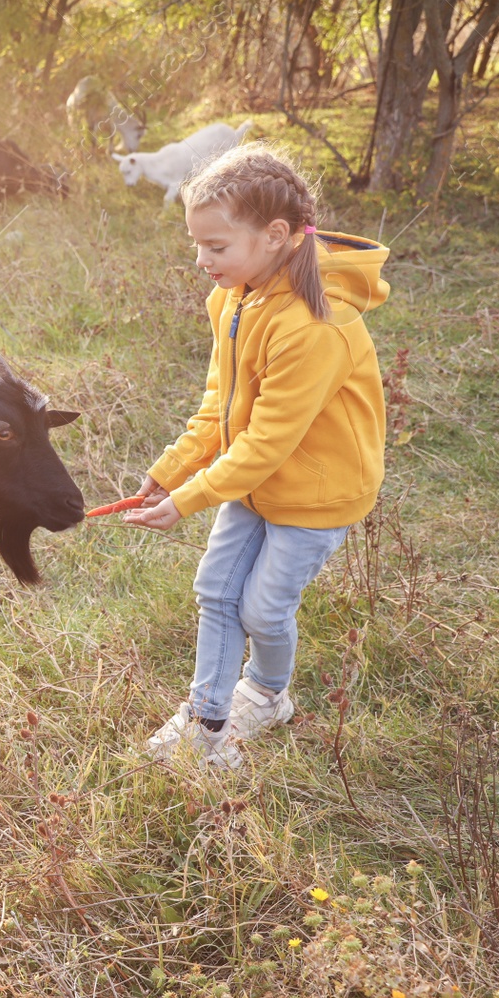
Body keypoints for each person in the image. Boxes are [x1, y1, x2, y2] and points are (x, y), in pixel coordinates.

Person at [124, 144, 390, 769]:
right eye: (197, 244)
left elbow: (269, 441)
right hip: (250, 480)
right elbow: (220, 404)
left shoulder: (314, 326)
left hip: (317, 493)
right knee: (215, 589)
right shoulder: (234, 298)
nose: (202, 260)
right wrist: (169, 472)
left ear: (275, 236)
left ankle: (267, 695)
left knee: (263, 607)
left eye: (216, 246)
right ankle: (207, 720)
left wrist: (189, 500)